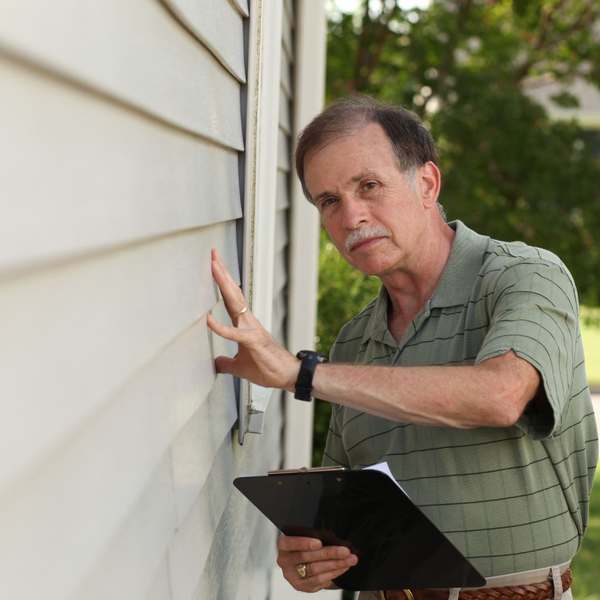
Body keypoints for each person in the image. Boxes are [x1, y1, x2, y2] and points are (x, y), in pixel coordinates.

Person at [207, 96, 598, 600]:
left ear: (427, 184)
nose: (351, 216)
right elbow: (348, 516)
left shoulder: (524, 275)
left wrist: (300, 373)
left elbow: (502, 395)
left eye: (368, 186)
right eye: (328, 201)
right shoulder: (353, 341)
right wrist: (313, 559)